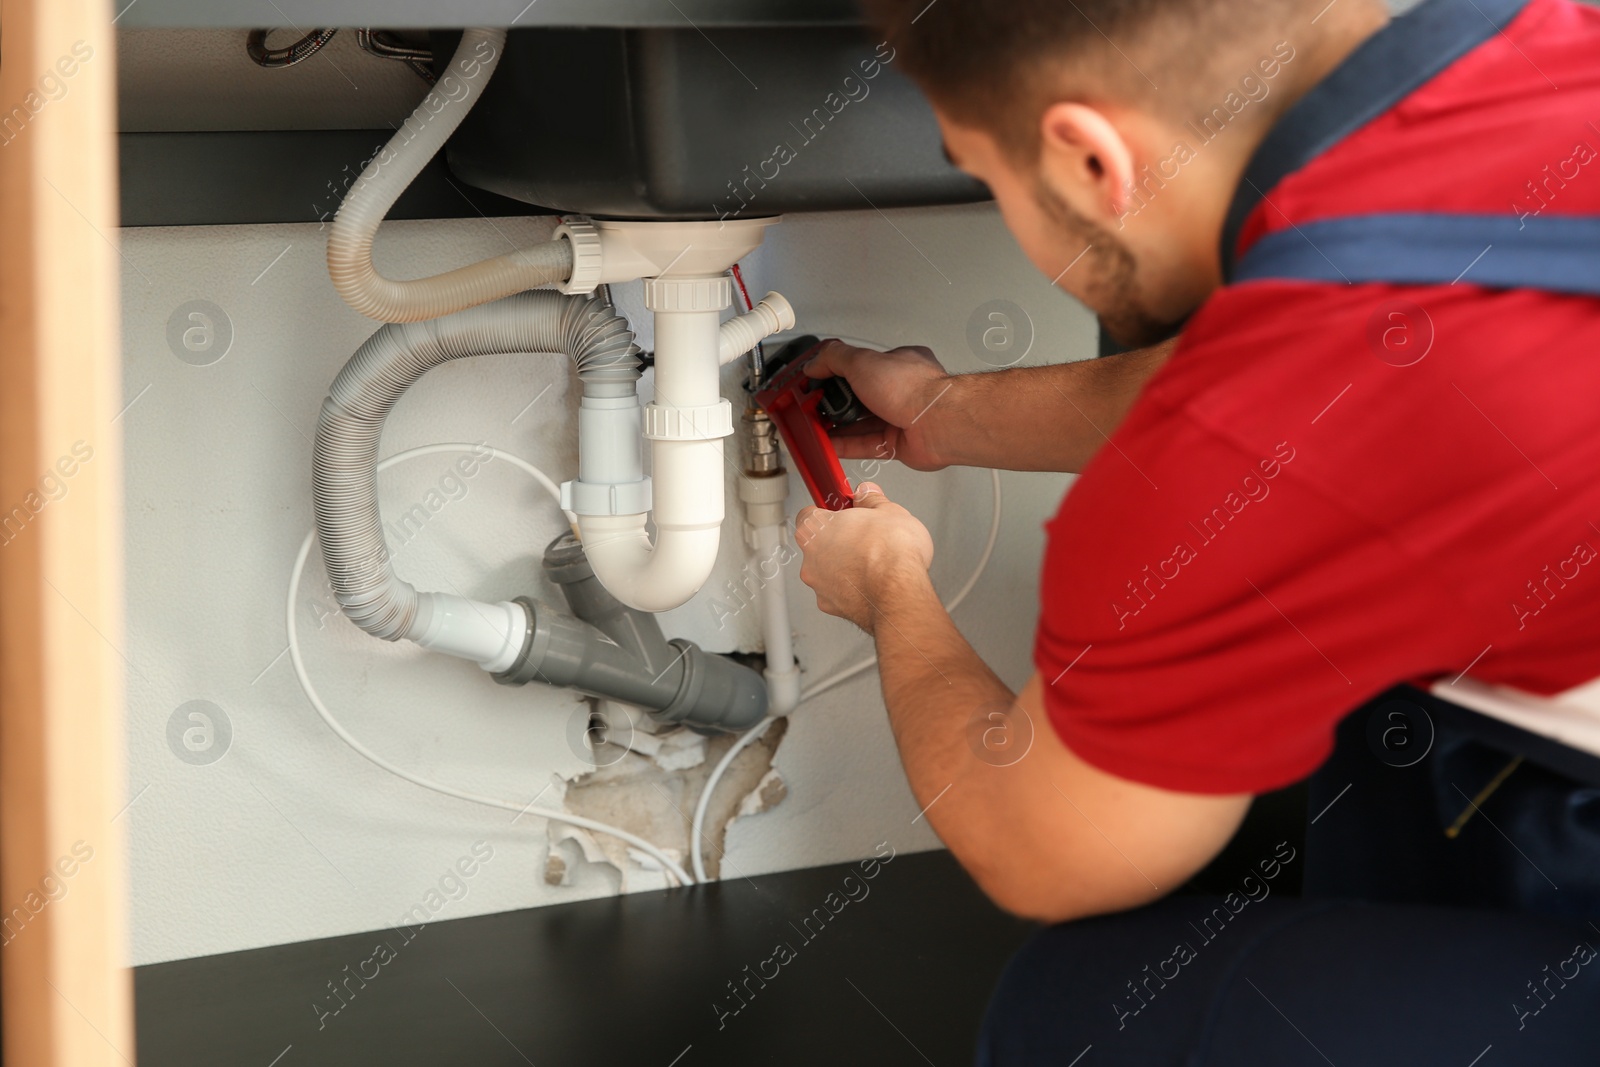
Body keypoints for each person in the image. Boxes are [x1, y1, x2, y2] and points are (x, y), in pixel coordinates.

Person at [792, 0, 1600, 1061]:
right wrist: (944, 411)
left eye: (984, 174)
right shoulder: (1545, 46)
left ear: (1087, 159)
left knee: (1088, 1006)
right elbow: (1331, 375)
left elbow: (1044, 849)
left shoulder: (1269, 420)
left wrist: (889, 584)